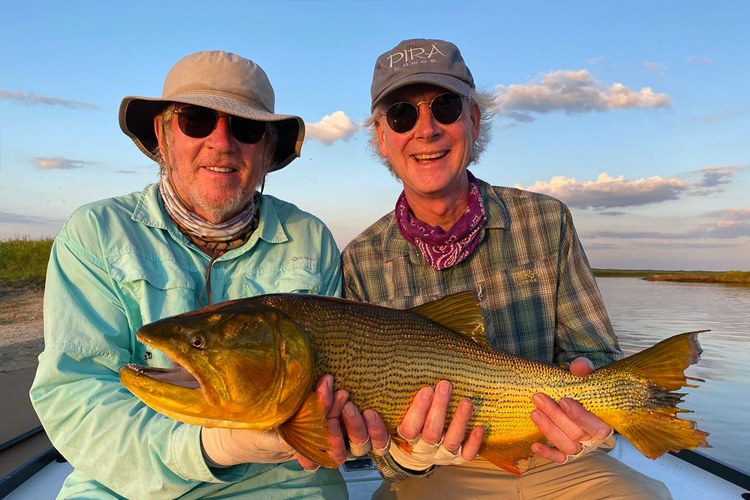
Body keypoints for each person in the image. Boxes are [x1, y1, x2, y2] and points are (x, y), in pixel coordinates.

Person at [339, 39, 673, 499]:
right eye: (402, 115)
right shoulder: (360, 259)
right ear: (382, 137)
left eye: (446, 107)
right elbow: (368, 431)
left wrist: (591, 414)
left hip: (557, 457)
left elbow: (596, 355)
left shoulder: (546, 220)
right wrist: (408, 456)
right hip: (440, 470)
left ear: (473, 121)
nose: (426, 129)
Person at [30, 51, 350, 499]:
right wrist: (213, 446)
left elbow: (336, 396)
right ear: (162, 134)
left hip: (286, 483)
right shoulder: (96, 234)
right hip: (125, 486)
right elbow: (77, 395)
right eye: (196, 119)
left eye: (247, 128)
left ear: (268, 148)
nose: (222, 142)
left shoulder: (310, 238)